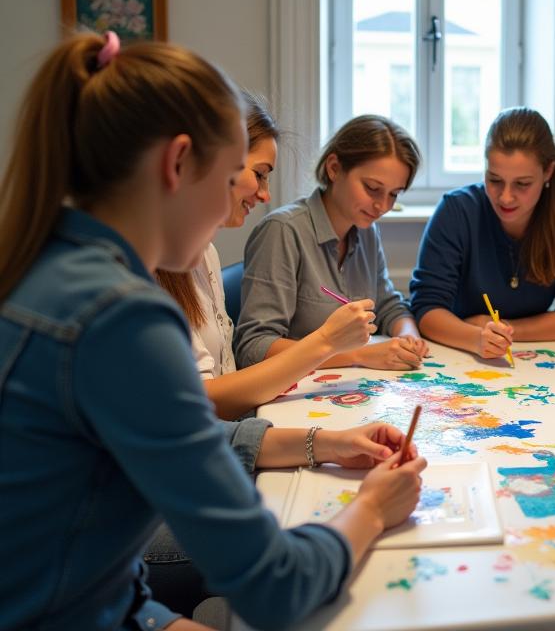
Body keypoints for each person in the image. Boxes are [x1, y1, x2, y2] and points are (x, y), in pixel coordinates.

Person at [0, 31, 426, 631]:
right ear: (177, 164)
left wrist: (326, 442)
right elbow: (275, 585)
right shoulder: (123, 318)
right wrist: (372, 510)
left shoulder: (45, 263)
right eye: (232, 178)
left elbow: (90, 551)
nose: (242, 201)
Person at [156, 95, 374, 419]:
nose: (265, 194)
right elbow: (203, 402)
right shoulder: (153, 267)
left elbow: (224, 387)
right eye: (259, 174)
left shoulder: (206, 253)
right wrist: (328, 342)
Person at [235, 115, 429, 371]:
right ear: (334, 168)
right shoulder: (283, 231)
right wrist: (359, 355)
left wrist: (408, 336)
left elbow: (388, 306)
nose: (382, 206)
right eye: (372, 188)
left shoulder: (366, 231)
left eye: (394, 194)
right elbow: (254, 348)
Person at [411, 107, 555, 360]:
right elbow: (427, 309)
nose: (506, 197)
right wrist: (475, 338)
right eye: (494, 180)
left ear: (548, 171)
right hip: (460, 353)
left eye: (522, 184)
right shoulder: (456, 210)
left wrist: (501, 329)